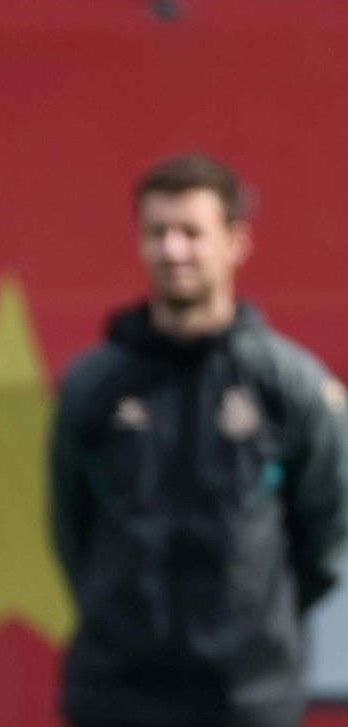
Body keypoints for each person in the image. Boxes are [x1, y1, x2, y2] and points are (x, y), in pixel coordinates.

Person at [50, 153, 348, 727]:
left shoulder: (289, 385)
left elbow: (326, 539)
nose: (173, 250)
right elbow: (71, 532)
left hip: (248, 699)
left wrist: (258, 626)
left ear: (236, 242)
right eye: (157, 232)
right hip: (117, 696)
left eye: (192, 232)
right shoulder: (93, 385)